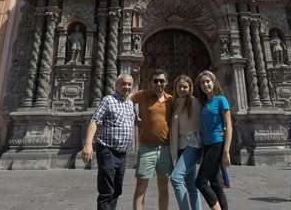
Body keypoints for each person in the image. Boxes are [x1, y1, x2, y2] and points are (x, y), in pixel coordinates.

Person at [82, 74, 135, 210]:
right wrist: (88, 145)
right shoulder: (108, 100)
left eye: (129, 84)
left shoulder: (130, 104)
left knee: (117, 190)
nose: (127, 87)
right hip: (107, 150)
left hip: (122, 153)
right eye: (123, 84)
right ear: (116, 85)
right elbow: (95, 121)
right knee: (107, 191)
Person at [131, 69, 173, 210]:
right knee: (141, 187)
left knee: (163, 186)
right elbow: (125, 98)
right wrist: (133, 115)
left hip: (165, 149)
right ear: (151, 82)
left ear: (166, 83)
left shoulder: (170, 100)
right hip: (146, 148)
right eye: (155, 80)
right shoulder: (143, 95)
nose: (158, 83)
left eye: (161, 81)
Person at [194, 70, 232, 210]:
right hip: (207, 145)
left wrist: (226, 151)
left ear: (214, 82)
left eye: (207, 81)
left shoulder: (221, 99)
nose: (205, 85)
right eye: (202, 83)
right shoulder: (204, 103)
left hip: (217, 143)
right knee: (215, 184)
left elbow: (228, 126)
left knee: (200, 182)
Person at [169, 75, 202, 210]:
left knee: (176, 178)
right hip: (180, 146)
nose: (182, 89)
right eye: (179, 86)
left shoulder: (194, 102)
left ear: (190, 88)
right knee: (191, 186)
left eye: (185, 87)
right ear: (175, 88)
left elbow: (202, 121)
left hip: (192, 145)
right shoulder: (175, 104)